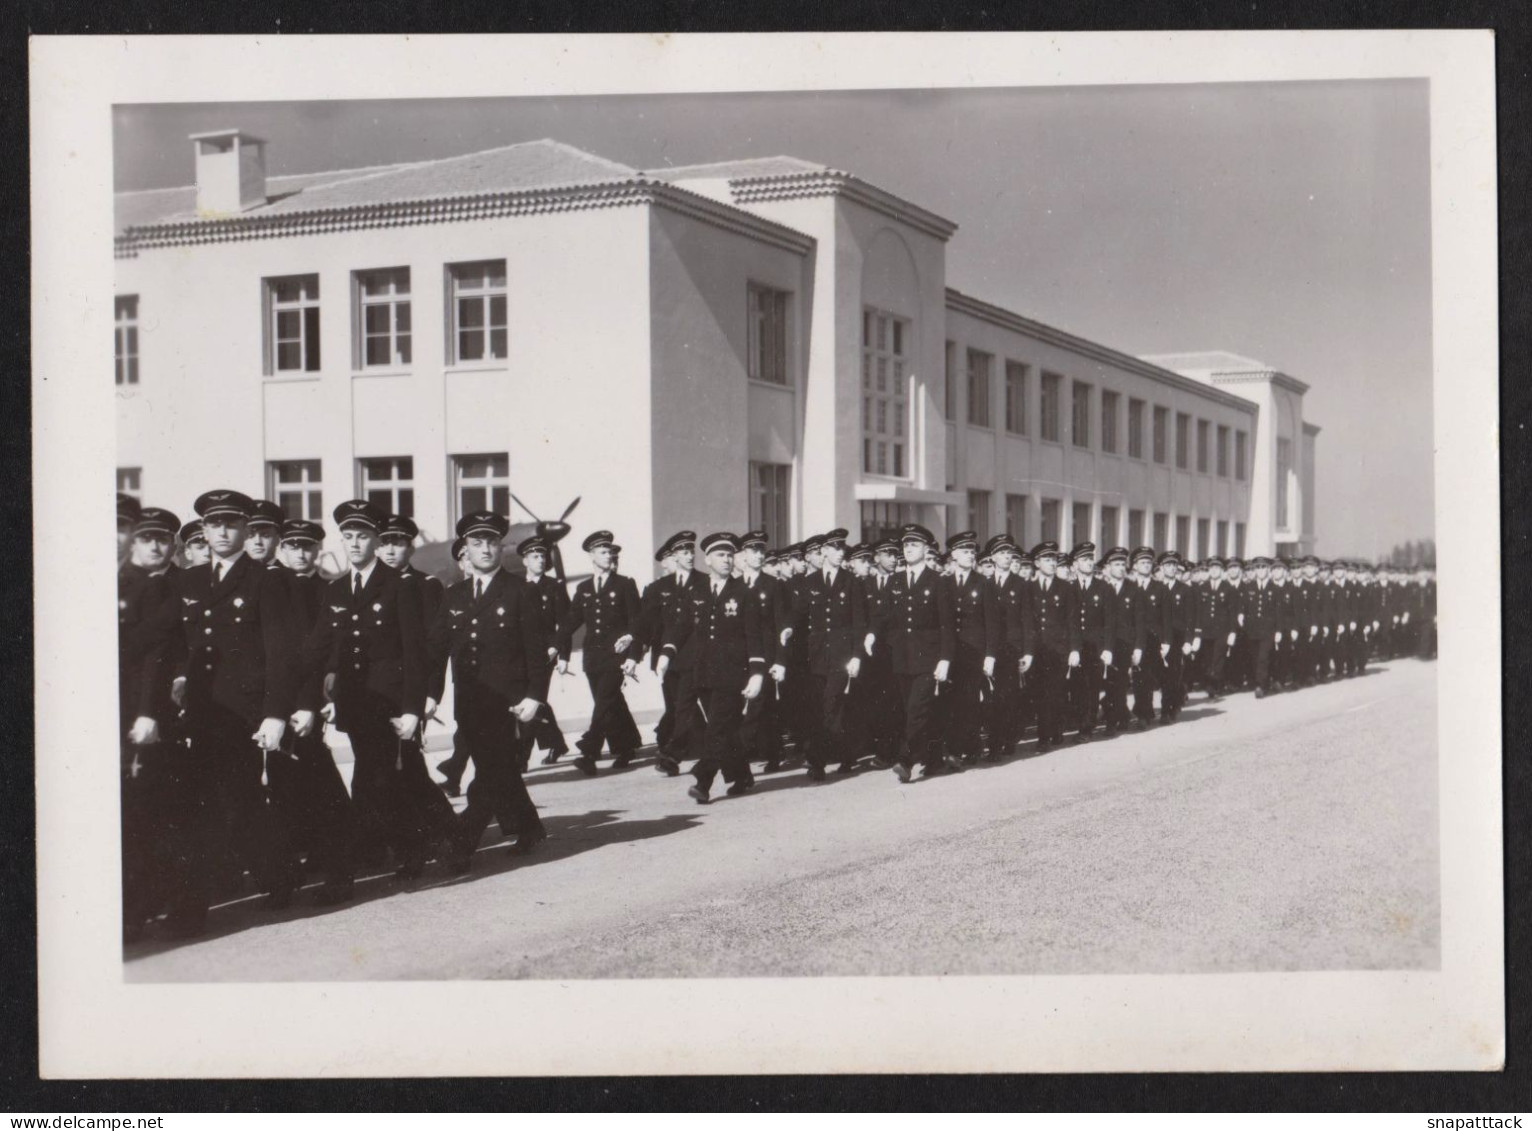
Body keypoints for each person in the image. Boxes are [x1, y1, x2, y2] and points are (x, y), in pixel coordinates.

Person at [164, 489, 297, 937]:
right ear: (202, 530)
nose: (222, 531)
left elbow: (281, 653)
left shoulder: (266, 579)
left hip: (243, 714)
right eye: (214, 524)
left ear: (244, 530)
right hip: (201, 711)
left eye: (232, 524)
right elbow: (180, 646)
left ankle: (264, 882)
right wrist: (179, 680)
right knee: (213, 804)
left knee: (230, 804)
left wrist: (275, 713)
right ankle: (263, 881)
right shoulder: (189, 582)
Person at [303, 499, 454, 880]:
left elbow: (414, 654)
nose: (354, 543)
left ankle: (411, 850)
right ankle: (438, 841)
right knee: (389, 777)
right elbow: (318, 650)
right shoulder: (336, 591)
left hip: (391, 705)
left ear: (375, 539)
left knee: (386, 778)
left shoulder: (400, 586)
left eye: (363, 536)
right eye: (348, 536)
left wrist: (412, 710)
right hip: (357, 704)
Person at [427, 511, 548, 874]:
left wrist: (534, 697)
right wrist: (430, 694)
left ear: (501, 547)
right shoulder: (454, 596)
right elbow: (437, 651)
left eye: (491, 543)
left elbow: (537, 652)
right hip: (470, 701)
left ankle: (462, 843)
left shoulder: (520, 591)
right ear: (465, 550)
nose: (485, 549)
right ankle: (529, 828)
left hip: (510, 704)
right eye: (476, 543)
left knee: (491, 773)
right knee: (498, 769)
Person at [270, 518, 356, 904]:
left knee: (318, 784)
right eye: (292, 546)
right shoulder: (269, 587)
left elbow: (330, 650)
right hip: (273, 698)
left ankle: (338, 871)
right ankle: (296, 871)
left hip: (309, 699)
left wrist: (318, 701)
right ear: (281, 550)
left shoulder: (330, 591)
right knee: (284, 785)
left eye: (307, 546)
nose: (300, 553)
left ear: (318, 550)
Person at [661, 532, 766, 803]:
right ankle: (741, 775)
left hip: (733, 674)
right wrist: (667, 652)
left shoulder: (744, 593)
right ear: (707, 559)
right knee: (726, 729)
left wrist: (756, 673)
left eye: (730, 555)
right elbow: (682, 625)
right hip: (703, 672)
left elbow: (755, 635)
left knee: (717, 728)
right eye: (720, 555)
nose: (727, 560)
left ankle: (703, 780)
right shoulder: (697, 591)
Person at [118, 505, 180, 942]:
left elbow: (153, 655)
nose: (154, 545)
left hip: (146, 713)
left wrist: (148, 711)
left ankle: (137, 910)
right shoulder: (120, 581)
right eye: (146, 537)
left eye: (162, 538)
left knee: (143, 812)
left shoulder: (167, 587)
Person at [556, 530, 645, 775]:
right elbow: (572, 619)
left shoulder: (625, 584)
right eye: (603, 552)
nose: (608, 556)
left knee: (605, 700)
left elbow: (636, 620)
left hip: (615, 655)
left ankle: (590, 750)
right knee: (610, 702)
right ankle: (626, 746)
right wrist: (554, 643)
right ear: (592, 556)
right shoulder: (584, 588)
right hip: (592, 657)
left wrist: (631, 650)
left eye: (610, 552)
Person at [790, 528, 869, 779]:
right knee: (818, 707)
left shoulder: (851, 581)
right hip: (815, 656)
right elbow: (799, 616)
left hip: (841, 656)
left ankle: (818, 762)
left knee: (831, 705)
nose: (840, 552)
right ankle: (843, 752)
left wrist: (856, 655)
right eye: (835, 548)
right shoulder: (809, 583)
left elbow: (859, 623)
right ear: (823, 552)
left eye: (842, 548)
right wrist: (788, 629)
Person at [886, 525, 956, 784]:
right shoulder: (895, 581)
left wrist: (945, 659)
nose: (909, 550)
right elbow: (888, 621)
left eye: (914, 545)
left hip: (929, 659)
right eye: (906, 546)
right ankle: (935, 757)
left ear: (926, 549)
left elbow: (946, 625)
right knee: (917, 711)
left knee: (917, 709)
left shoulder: (938, 581)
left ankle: (905, 760)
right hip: (902, 658)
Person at [640, 531, 704, 775]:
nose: (689, 556)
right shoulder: (659, 588)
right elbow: (649, 625)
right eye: (684, 552)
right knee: (676, 705)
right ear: (674, 556)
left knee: (684, 706)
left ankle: (672, 754)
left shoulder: (704, 582)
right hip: (667, 658)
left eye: (691, 551)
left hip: (695, 655)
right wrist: (636, 652)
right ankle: (691, 744)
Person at [514, 534, 573, 770]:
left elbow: (566, 622)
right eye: (534, 556)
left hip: (544, 653)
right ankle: (556, 743)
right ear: (524, 561)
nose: (540, 560)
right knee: (531, 701)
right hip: (519, 654)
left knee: (533, 701)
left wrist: (560, 651)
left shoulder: (554, 586)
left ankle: (521, 758)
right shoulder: (516, 586)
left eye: (542, 556)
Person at [735, 531, 791, 776]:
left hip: (766, 656)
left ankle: (742, 754)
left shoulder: (773, 585)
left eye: (761, 551)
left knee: (759, 704)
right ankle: (773, 750)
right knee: (755, 705)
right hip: (739, 656)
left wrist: (780, 660)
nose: (758, 555)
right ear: (744, 555)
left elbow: (781, 627)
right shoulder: (734, 585)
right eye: (753, 551)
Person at [943, 531, 999, 765]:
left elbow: (992, 623)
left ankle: (965, 748)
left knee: (968, 700)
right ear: (954, 554)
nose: (969, 555)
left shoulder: (983, 583)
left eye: (972, 551)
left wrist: (990, 655)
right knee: (949, 701)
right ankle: (957, 746)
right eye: (964, 551)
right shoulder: (943, 583)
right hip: (948, 652)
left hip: (974, 653)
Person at [1019, 542, 1081, 752]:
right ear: (1037, 563)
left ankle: (1050, 733)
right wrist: (1027, 650)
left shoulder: (1066, 588)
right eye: (1046, 560)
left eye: (1054, 559)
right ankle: (1048, 731)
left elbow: (1072, 621)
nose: (1052, 563)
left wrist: (1074, 649)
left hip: (1059, 651)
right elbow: (1026, 621)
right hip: (1038, 651)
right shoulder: (1028, 588)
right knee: (1039, 693)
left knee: (1055, 693)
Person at [982, 534, 1029, 759]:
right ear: (992, 557)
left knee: (1008, 697)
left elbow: (1027, 621)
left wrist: (1027, 652)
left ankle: (1007, 741)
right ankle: (993, 743)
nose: (1007, 557)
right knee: (991, 698)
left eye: (1009, 553)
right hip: (989, 650)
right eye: (1001, 553)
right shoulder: (985, 584)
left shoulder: (1021, 585)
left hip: (1012, 649)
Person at [1069, 540, 1110, 741]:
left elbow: (1109, 622)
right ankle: (1080, 721)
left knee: (1092, 686)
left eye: (1090, 559)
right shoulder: (1067, 588)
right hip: (1074, 647)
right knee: (1077, 687)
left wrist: (1107, 648)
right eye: (1084, 559)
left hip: (1095, 646)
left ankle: (1087, 726)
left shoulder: (1103, 588)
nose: (1089, 563)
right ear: (1075, 563)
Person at [1098, 546, 1137, 735]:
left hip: (1123, 643)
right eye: (1116, 564)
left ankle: (1114, 720)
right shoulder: (1102, 588)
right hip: (1104, 643)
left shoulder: (1133, 589)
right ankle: (1118, 713)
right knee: (1107, 683)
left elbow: (1138, 621)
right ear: (1108, 567)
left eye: (1123, 564)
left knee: (1119, 682)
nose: (1121, 567)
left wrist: (1137, 647)